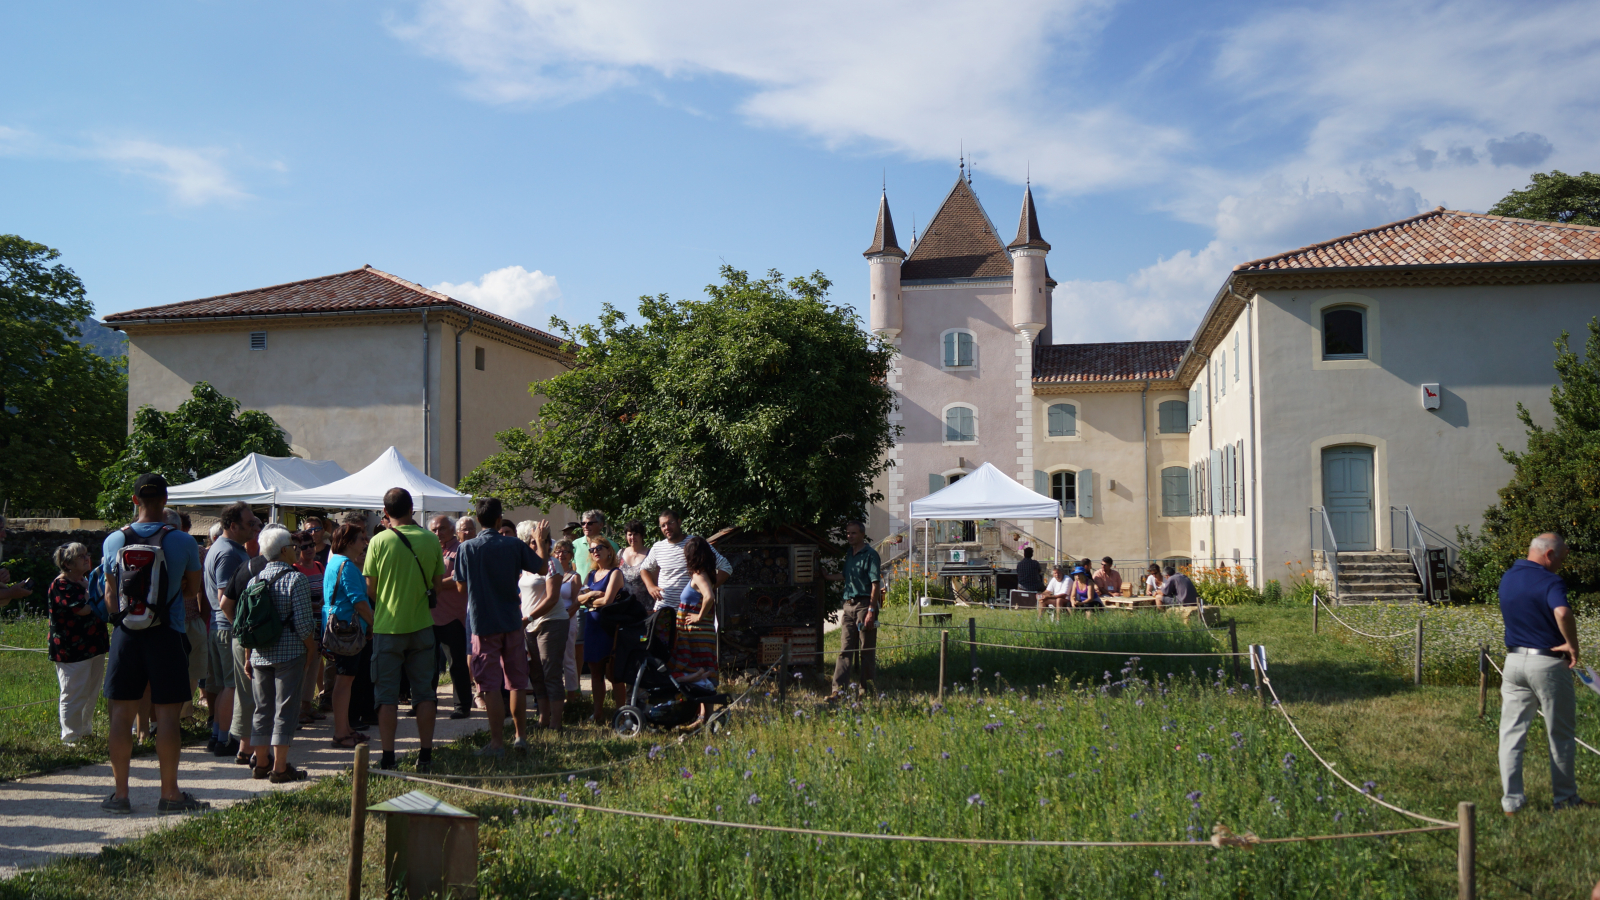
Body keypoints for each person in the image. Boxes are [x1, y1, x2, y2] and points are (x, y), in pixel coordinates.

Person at [99, 473, 208, 814]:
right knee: (168, 716)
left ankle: (120, 795)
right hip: (167, 633)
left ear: (134, 501)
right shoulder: (183, 542)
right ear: (165, 501)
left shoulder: (113, 541)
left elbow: (110, 592)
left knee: (121, 714)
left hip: (126, 634)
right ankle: (170, 794)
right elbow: (191, 590)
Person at [1498, 532, 1592, 814]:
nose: (1561, 564)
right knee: (1560, 733)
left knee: (1511, 734)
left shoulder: (1508, 577)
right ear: (1549, 554)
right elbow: (1562, 613)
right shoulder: (1550, 581)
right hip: (1548, 663)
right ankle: (1565, 799)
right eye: (1561, 558)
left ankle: (1511, 803)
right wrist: (1572, 646)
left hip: (1513, 661)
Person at [453, 497, 546, 754]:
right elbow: (541, 566)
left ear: (478, 520)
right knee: (516, 682)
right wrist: (539, 540)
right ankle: (520, 737)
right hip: (511, 621)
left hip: (483, 623)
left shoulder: (467, 548)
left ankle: (496, 743)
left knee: (489, 685)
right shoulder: (513, 544)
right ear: (498, 518)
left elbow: (461, 587)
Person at [365, 487, 446, 773]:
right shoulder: (430, 540)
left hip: (388, 628)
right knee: (424, 694)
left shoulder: (378, 541)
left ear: (385, 512)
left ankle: (388, 756)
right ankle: (425, 755)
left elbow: (370, 589)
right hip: (423, 626)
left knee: (386, 697)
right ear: (412, 509)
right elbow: (437, 587)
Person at [244, 525, 319, 783]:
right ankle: (280, 767)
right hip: (289, 652)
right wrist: (311, 648)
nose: (297, 551)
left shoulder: (254, 580)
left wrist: (248, 655)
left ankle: (261, 762)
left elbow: (246, 622)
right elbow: (303, 624)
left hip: (259, 653)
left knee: (262, 709)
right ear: (285, 550)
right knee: (285, 710)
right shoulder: (295, 579)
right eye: (294, 546)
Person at [207, 502, 260, 761]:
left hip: (220, 627)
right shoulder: (228, 553)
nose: (254, 527)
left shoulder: (224, 548)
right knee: (233, 687)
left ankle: (218, 735)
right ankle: (225, 739)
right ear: (233, 525)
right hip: (228, 628)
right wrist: (241, 631)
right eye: (250, 523)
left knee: (226, 686)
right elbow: (223, 598)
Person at [48, 542, 109, 744]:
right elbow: (82, 609)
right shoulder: (61, 584)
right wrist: (97, 595)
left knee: (91, 691)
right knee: (73, 693)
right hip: (71, 649)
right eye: (80, 556)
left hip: (94, 645)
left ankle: (85, 731)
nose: (86, 558)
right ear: (67, 563)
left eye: (86, 553)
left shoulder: (85, 581)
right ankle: (70, 737)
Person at [324, 523, 375, 748]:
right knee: (344, 682)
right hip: (348, 631)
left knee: (344, 681)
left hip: (340, 629)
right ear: (349, 542)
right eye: (361, 539)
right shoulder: (347, 565)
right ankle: (340, 732)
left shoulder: (335, 562)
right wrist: (376, 623)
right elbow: (359, 602)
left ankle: (344, 728)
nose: (365, 543)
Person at [520, 526, 571, 730]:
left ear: (549, 544)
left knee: (551, 672)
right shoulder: (526, 566)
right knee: (537, 675)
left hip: (552, 622)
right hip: (529, 625)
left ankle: (556, 724)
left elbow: (552, 598)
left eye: (540, 541)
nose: (535, 545)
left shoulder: (552, 563)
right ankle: (543, 720)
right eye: (532, 541)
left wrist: (529, 617)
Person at [826, 521, 882, 701]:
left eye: (853, 533)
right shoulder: (850, 554)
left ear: (862, 535)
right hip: (848, 606)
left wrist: (871, 611)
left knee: (866, 650)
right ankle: (838, 691)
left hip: (864, 605)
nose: (849, 536)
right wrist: (826, 576)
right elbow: (845, 576)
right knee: (845, 650)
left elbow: (875, 584)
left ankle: (866, 691)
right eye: (848, 533)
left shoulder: (871, 555)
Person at [671, 536, 721, 729]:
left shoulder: (699, 575)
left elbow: (709, 597)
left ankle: (705, 718)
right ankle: (704, 719)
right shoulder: (703, 574)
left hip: (698, 633)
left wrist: (699, 616)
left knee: (700, 671)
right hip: (701, 632)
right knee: (703, 673)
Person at [576, 536, 627, 725]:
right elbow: (578, 599)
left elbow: (608, 601)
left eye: (599, 548)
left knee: (614, 673)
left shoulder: (615, 573)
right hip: (592, 626)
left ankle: (621, 715)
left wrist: (590, 600)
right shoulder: (590, 574)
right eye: (592, 550)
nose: (595, 551)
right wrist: (592, 594)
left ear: (609, 550)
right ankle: (597, 714)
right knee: (595, 672)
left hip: (610, 628)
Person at [429, 514, 474, 720]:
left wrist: (433, 585)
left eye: (442, 528)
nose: (438, 533)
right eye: (434, 529)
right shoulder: (430, 548)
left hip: (453, 616)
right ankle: (425, 703)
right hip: (429, 616)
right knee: (426, 664)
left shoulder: (461, 549)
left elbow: (459, 577)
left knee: (456, 665)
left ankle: (462, 705)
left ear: (452, 530)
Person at [292, 531, 327, 726]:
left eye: (311, 544)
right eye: (304, 546)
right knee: (303, 667)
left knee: (315, 665)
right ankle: (297, 709)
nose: (310, 549)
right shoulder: (294, 569)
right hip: (304, 625)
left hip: (320, 624)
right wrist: (316, 605)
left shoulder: (320, 566)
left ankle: (307, 705)